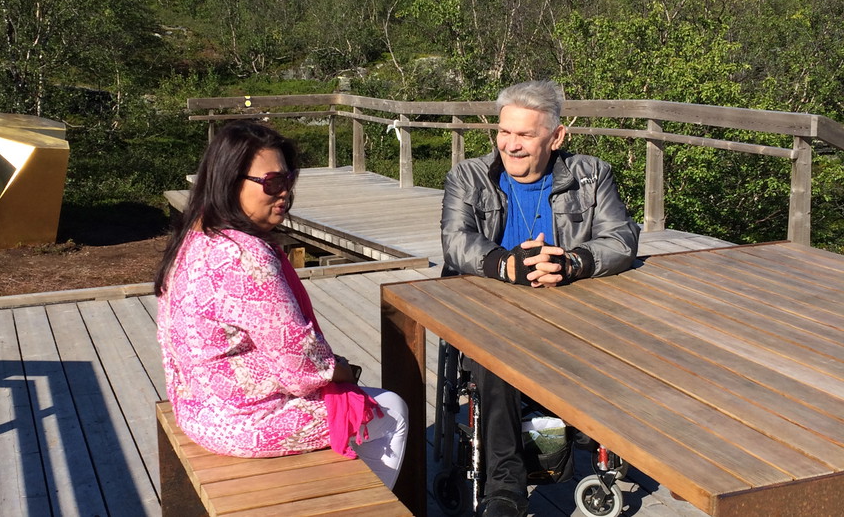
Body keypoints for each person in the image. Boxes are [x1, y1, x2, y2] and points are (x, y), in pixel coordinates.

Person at [154, 120, 408, 489]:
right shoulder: (246, 255)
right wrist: (342, 371)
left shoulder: (194, 235)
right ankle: (360, 505)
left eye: (288, 180)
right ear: (230, 181)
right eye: (271, 183)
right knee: (390, 411)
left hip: (196, 407)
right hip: (241, 423)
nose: (284, 193)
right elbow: (301, 366)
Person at [440, 80, 640, 516]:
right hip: (493, 315)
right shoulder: (468, 177)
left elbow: (622, 238)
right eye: (504, 132)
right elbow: (456, 241)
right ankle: (506, 487)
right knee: (494, 357)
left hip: (573, 311)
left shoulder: (592, 175)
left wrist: (573, 262)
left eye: (525, 135)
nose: (510, 145)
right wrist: (502, 265)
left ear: (557, 137)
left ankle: (590, 434)